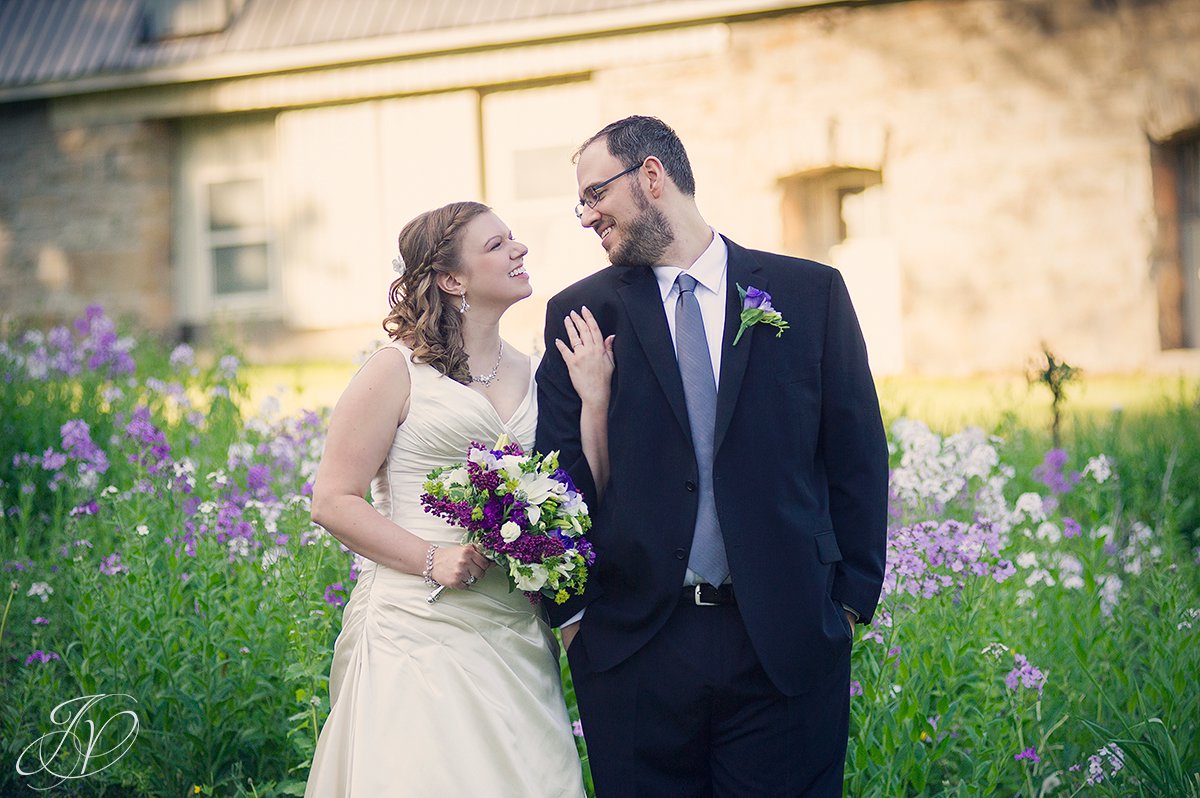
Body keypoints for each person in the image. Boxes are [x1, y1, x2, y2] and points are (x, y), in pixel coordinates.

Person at [536, 116, 889, 797]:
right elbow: (558, 479)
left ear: (651, 176)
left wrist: (848, 605)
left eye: (593, 194)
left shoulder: (809, 295)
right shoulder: (581, 314)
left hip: (784, 644)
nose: (585, 216)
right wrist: (576, 619)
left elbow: (857, 457)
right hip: (636, 649)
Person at [304, 201, 612, 797]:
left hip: (514, 627)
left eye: (514, 239)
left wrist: (594, 397)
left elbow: (577, 495)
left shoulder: (536, 371)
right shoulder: (396, 371)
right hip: (416, 625)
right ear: (451, 280)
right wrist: (430, 558)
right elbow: (332, 500)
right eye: (496, 246)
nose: (519, 249)